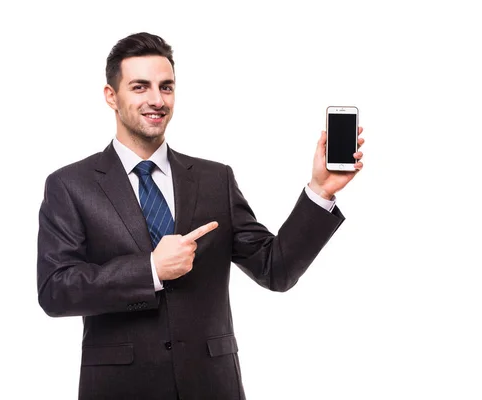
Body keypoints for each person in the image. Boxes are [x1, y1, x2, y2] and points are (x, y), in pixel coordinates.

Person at [36, 32, 365, 400]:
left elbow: (277, 270)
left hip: (212, 386)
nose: (157, 100)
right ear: (111, 96)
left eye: (167, 87)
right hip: (120, 389)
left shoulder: (214, 179)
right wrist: (150, 270)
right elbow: (56, 291)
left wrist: (321, 191)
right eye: (140, 87)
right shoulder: (70, 185)